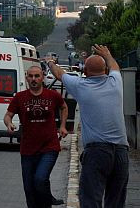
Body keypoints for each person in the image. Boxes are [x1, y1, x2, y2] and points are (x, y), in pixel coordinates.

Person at [47, 45, 129, 208]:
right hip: (121, 152)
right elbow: (114, 66)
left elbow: (59, 73)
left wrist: (50, 63)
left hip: (97, 152)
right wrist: (107, 54)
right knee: (117, 201)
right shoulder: (116, 83)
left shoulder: (81, 86)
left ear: (84, 72)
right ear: (105, 71)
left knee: (91, 199)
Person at [4, 66, 68, 208]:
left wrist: (62, 126)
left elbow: (63, 107)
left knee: (40, 178)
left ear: (42, 77)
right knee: (29, 189)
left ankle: (46, 203)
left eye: (37, 76)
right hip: (27, 149)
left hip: (49, 147)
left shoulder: (52, 95)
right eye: (31, 76)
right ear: (26, 78)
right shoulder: (20, 97)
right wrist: (9, 124)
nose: (34, 79)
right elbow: (8, 115)